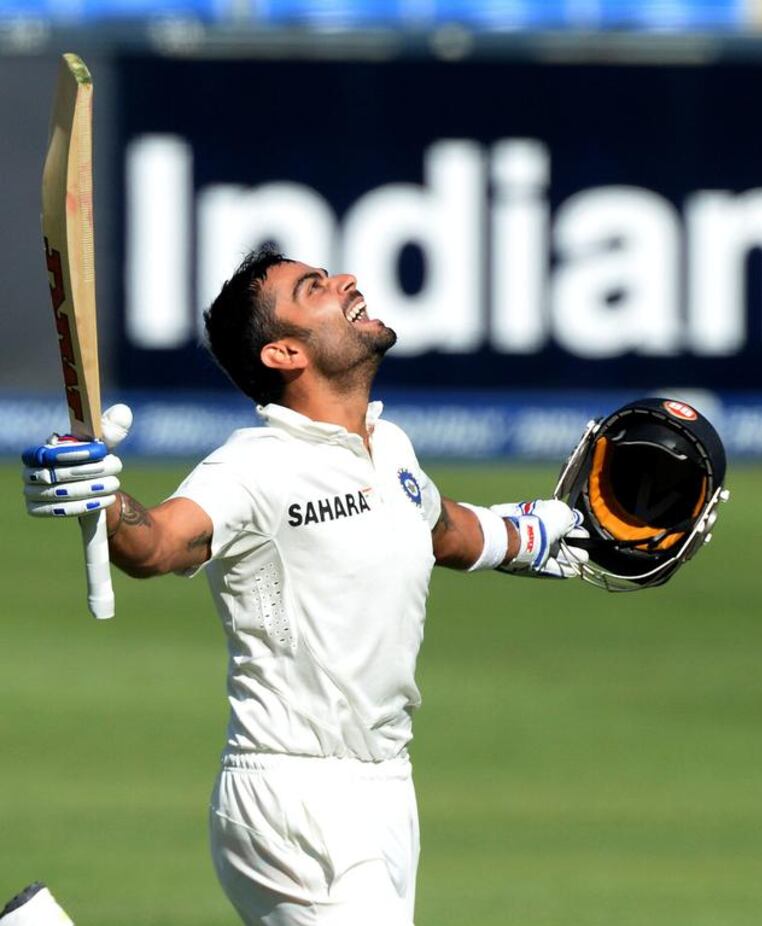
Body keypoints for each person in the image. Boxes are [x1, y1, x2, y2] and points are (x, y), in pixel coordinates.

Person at [22, 247, 588, 926]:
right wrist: (108, 502)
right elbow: (160, 543)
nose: (348, 281)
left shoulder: (392, 447)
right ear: (284, 354)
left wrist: (547, 533)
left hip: (386, 788)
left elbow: (444, 531)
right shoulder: (253, 467)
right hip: (295, 794)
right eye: (315, 287)